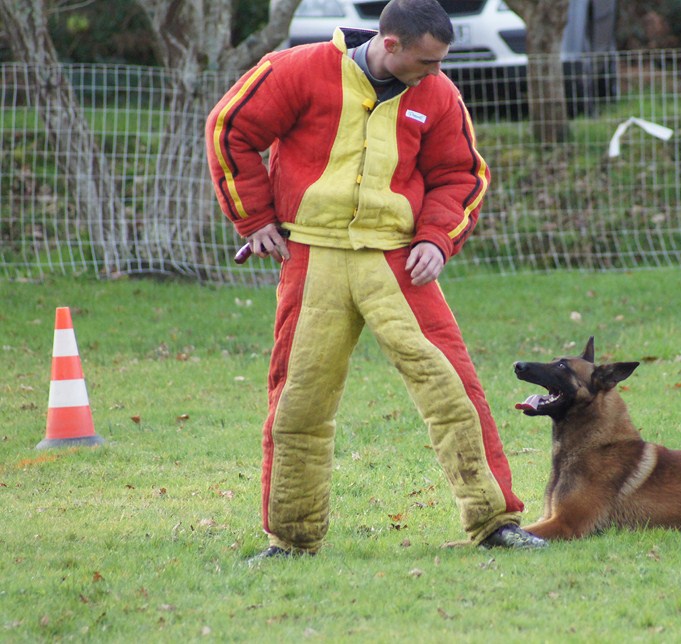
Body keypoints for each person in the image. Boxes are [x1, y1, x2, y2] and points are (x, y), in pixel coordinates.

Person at [205, 0, 546, 560]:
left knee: (453, 390)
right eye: (427, 61)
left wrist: (437, 239)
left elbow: (461, 174)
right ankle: (290, 540)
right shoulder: (295, 69)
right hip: (312, 258)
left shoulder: (438, 95)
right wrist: (256, 219)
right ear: (391, 44)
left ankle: (495, 523)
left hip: (397, 261)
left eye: (441, 63)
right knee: (299, 404)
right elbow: (229, 130)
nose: (436, 74)